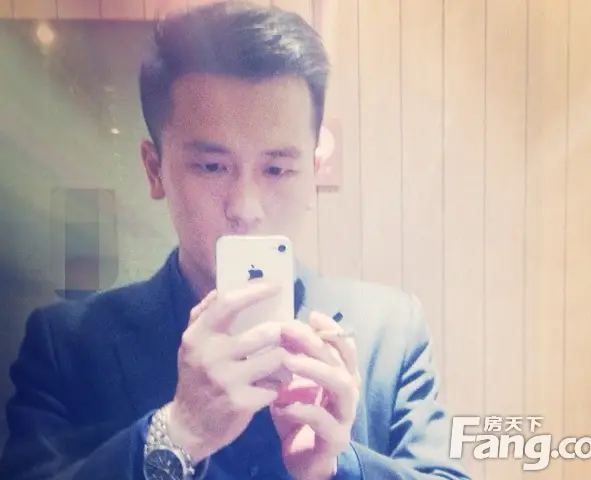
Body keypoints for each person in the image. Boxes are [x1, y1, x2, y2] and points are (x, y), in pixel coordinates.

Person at [0, 2, 471, 479]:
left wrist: (338, 468)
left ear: (313, 173)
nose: (246, 207)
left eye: (277, 168)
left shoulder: (389, 334)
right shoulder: (67, 346)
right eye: (212, 166)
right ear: (154, 169)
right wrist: (176, 434)